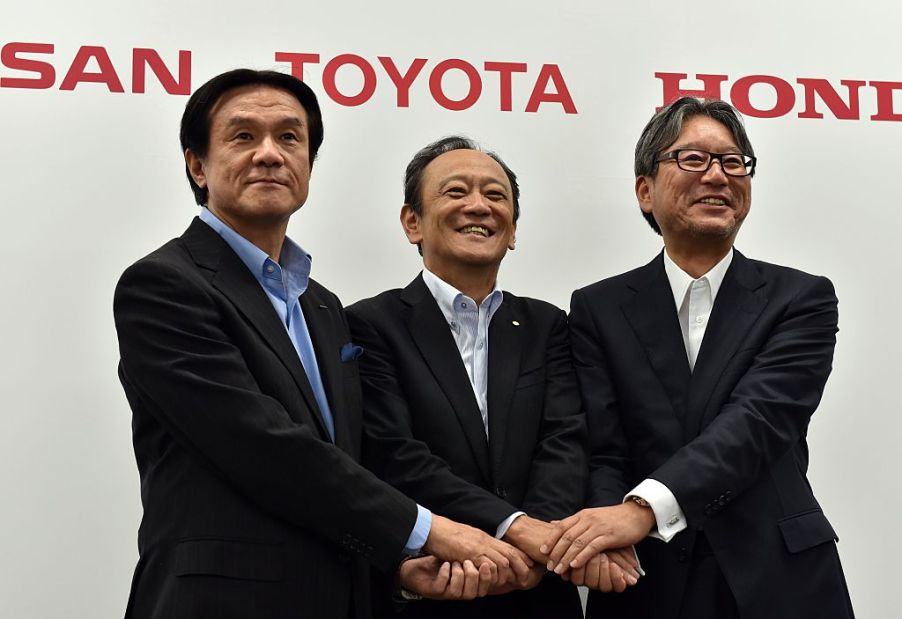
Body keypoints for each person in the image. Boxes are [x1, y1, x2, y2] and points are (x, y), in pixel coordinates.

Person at [113, 70, 531, 619]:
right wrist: (426, 530)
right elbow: (262, 445)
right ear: (197, 165)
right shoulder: (164, 285)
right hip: (221, 601)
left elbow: (347, 458)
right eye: (243, 137)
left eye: (290, 138)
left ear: (309, 163)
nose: (269, 154)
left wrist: (399, 566)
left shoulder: (323, 306)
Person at [543, 97, 855, 618]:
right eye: (692, 159)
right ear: (645, 190)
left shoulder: (801, 298)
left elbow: (758, 421)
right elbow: (603, 445)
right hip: (642, 578)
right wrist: (607, 531)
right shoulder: (598, 307)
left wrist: (641, 509)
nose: (717, 176)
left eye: (733, 162)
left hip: (777, 576)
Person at [347, 136, 639, 618]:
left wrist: (537, 551)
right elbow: (394, 453)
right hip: (436, 583)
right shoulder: (370, 324)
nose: (478, 206)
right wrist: (515, 529)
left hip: (541, 590)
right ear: (412, 222)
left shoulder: (547, 325)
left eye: (496, 196)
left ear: (514, 228)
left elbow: (564, 441)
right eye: (456, 192)